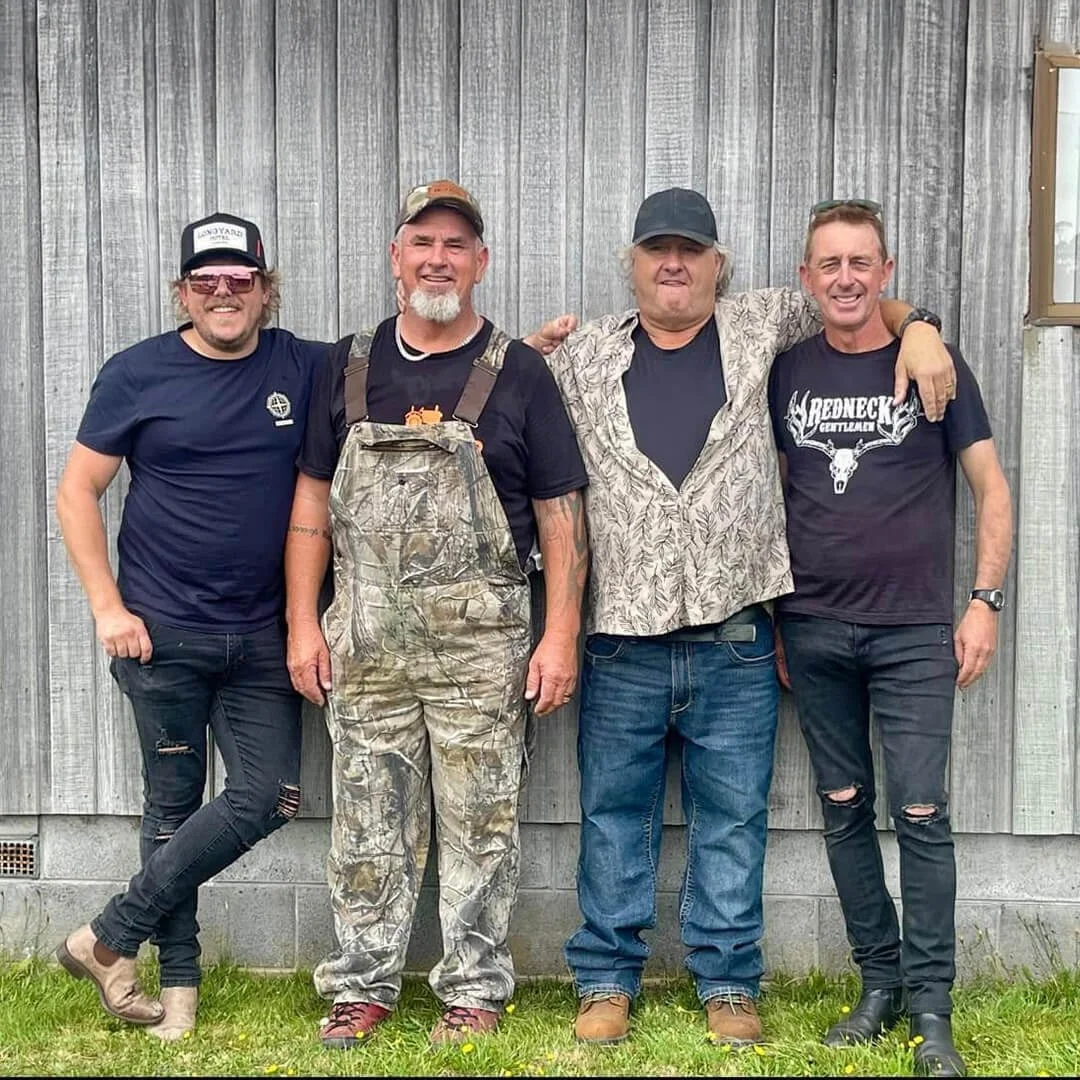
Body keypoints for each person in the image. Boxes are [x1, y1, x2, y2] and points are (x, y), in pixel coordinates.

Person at [535, 187, 956, 1048]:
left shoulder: (766, 327)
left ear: (718, 264)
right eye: (658, 250)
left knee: (733, 818)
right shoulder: (581, 358)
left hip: (736, 639)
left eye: (692, 250)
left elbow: (861, 298)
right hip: (623, 638)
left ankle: (728, 981)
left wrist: (924, 326)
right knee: (615, 814)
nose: (675, 265)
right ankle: (607, 980)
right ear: (635, 263)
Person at [283, 180, 589, 1048]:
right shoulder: (346, 367)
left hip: (482, 652)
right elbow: (310, 506)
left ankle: (475, 989)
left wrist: (560, 632)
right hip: (367, 646)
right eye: (423, 242)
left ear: (480, 263)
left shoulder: (518, 371)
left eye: (457, 245)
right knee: (366, 823)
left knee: (482, 824)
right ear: (396, 257)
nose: (438, 258)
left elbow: (563, 514)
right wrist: (305, 623)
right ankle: (363, 985)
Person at [54, 213, 324, 1040]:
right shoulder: (137, 374)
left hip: (263, 641)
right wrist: (107, 606)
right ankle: (176, 998)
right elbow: (76, 493)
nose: (223, 292)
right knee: (171, 808)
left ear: (265, 290)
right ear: (183, 291)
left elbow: (405, 367)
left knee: (266, 795)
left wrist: (518, 349)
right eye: (205, 280)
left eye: (239, 279)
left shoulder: (302, 365)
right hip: (161, 635)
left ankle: (104, 938)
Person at [769, 199, 1012, 1078]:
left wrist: (984, 600)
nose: (845, 278)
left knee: (921, 814)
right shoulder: (783, 372)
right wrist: (775, 620)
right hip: (812, 627)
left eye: (860, 263)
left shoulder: (936, 369)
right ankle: (879, 986)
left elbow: (990, 487)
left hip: (913, 631)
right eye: (828, 264)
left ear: (886, 271)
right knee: (842, 811)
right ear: (807, 278)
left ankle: (934, 1010)